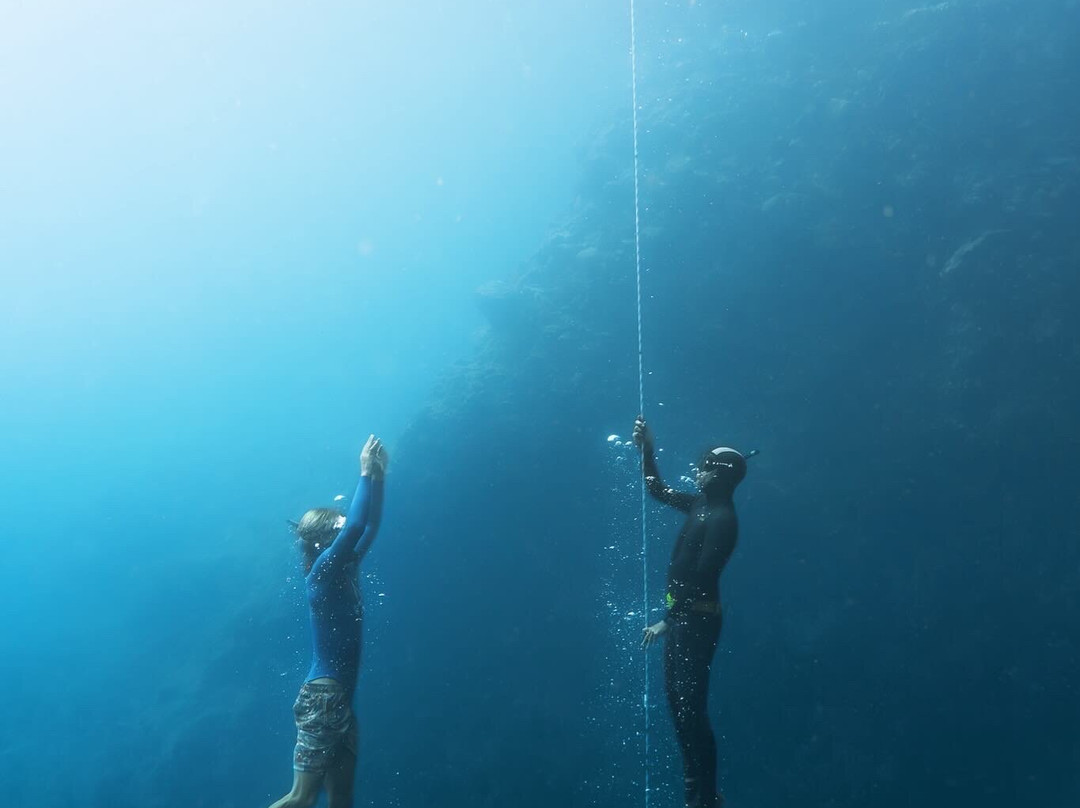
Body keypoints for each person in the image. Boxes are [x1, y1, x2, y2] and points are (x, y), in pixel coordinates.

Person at [634, 416, 749, 808]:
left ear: (718, 475)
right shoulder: (702, 505)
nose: (696, 471)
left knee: (691, 709)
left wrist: (668, 619)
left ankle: (704, 799)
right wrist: (647, 450)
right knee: (679, 707)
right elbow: (658, 491)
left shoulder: (723, 520)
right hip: (685, 619)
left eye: (703, 467)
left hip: (696, 621)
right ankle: (696, 795)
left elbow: (704, 574)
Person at [269, 434, 388, 808]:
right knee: (301, 798)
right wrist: (365, 473)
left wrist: (380, 479)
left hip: (340, 701)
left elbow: (368, 527)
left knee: (342, 799)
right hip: (322, 699)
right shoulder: (322, 572)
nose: (345, 526)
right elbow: (355, 526)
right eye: (336, 527)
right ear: (323, 540)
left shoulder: (344, 567)